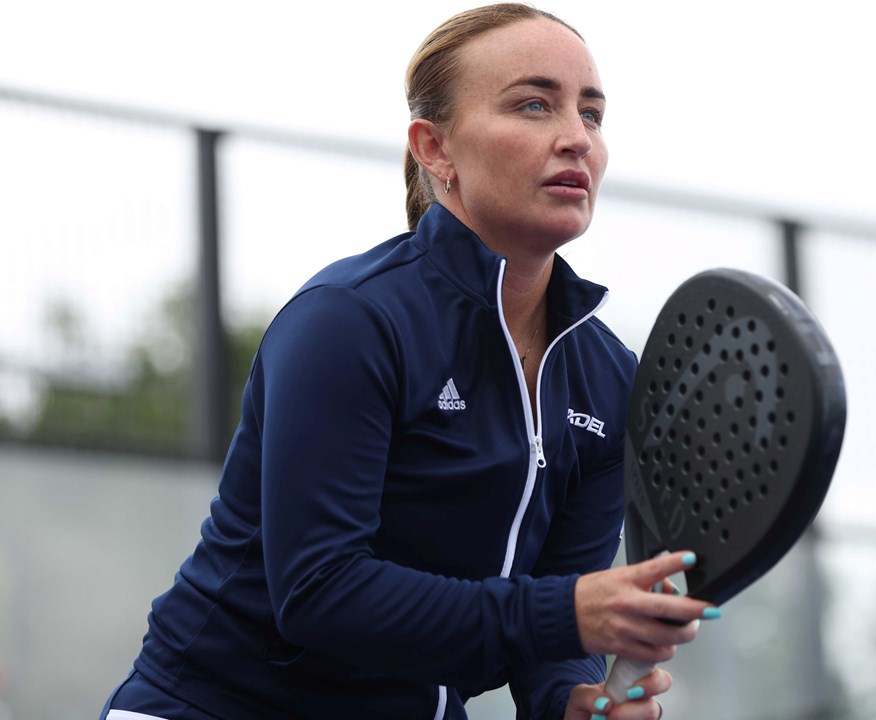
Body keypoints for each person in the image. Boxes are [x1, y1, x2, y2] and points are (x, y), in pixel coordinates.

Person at [100, 4, 720, 719]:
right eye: (532, 105)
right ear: (435, 149)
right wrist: (566, 612)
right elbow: (320, 591)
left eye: (592, 113)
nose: (576, 138)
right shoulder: (348, 319)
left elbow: (558, 613)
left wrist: (568, 699)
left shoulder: (610, 380)